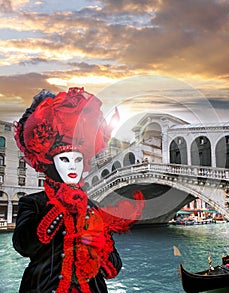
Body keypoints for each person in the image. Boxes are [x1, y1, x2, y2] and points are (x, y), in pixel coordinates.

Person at [13, 87, 144, 293]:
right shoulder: (33, 203)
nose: (73, 167)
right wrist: (58, 208)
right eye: (65, 160)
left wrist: (100, 246)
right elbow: (24, 246)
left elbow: (114, 268)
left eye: (77, 160)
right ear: (51, 164)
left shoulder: (93, 208)